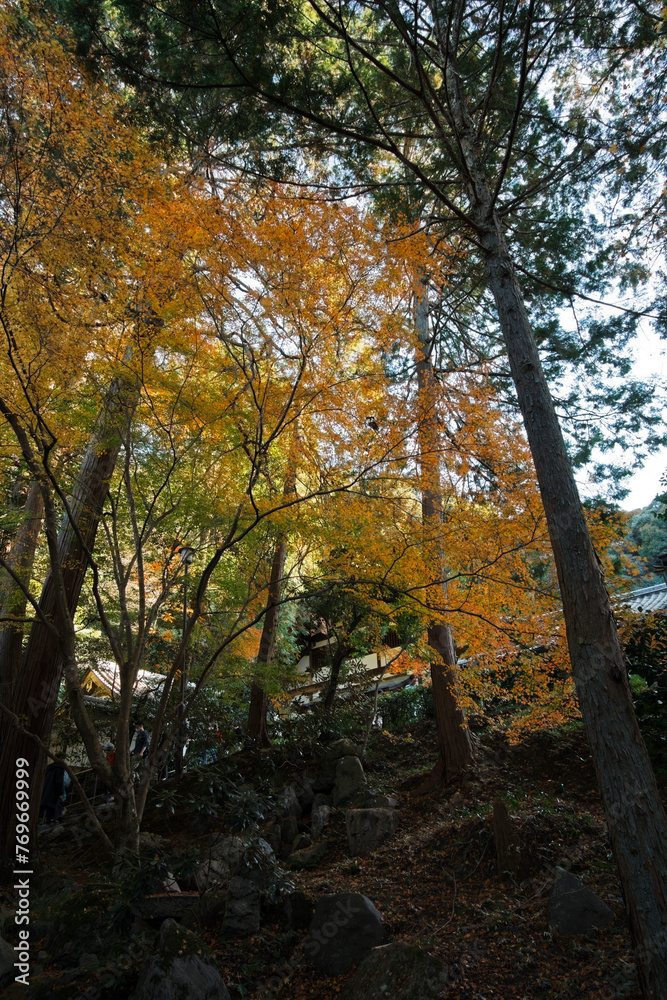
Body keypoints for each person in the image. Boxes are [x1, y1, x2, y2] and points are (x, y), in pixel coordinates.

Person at [40, 753, 67, 824]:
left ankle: (48, 820)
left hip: (47, 788)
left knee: (48, 804)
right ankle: (52, 819)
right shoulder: (60, 768)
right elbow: (59, 781)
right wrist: (60, 792)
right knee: (54, 804)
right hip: (54, 789)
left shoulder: (49, 767)